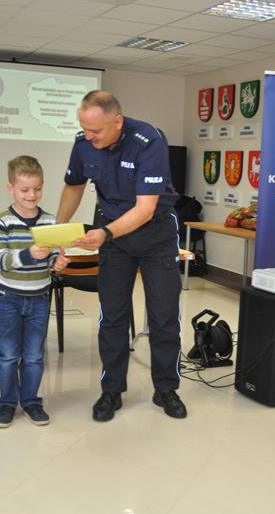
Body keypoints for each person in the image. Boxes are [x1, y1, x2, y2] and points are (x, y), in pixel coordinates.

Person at [57, 90, 187, 421]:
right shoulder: (84, 142)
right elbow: (73, 186)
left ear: (117, 121)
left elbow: (146, 208)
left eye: (95, 131)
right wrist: (59, 232)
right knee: (112, 316)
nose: (89, 137)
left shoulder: (148, 140)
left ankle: (166, 389)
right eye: (84, 129)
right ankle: (111, 390)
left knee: (163, 315)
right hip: (114, 235)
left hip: (155, 234)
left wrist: (104, 234)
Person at [0, 155, 69, 429]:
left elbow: (51, 257)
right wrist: (28, 254)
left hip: (39, 297)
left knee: (35, 355)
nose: (31, 195)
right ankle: (7, 403)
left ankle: (31, 401)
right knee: (8, 355)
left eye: (37, 189)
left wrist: (57, 263)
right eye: (24, 189)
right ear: (10, 188)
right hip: (6, 298)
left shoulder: (49, 221)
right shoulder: (2, 221)